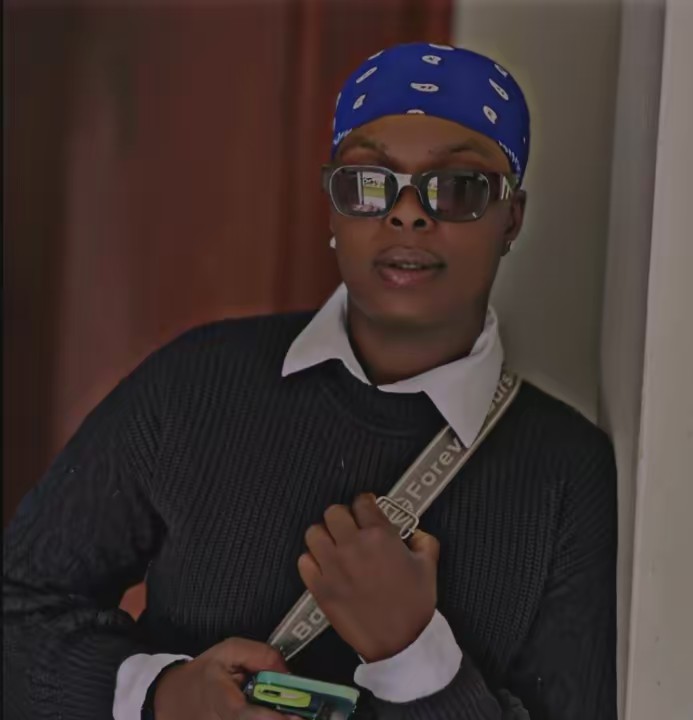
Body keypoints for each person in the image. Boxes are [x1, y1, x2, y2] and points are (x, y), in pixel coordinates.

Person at [3, 43, 617, 720]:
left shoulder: (566, 473)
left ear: (512, 219)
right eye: (367, 182)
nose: (407, 213)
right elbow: (18, 608)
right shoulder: (198, 384)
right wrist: (162, 695)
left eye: (458, 187)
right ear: (331, 207)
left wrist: (414, 658)